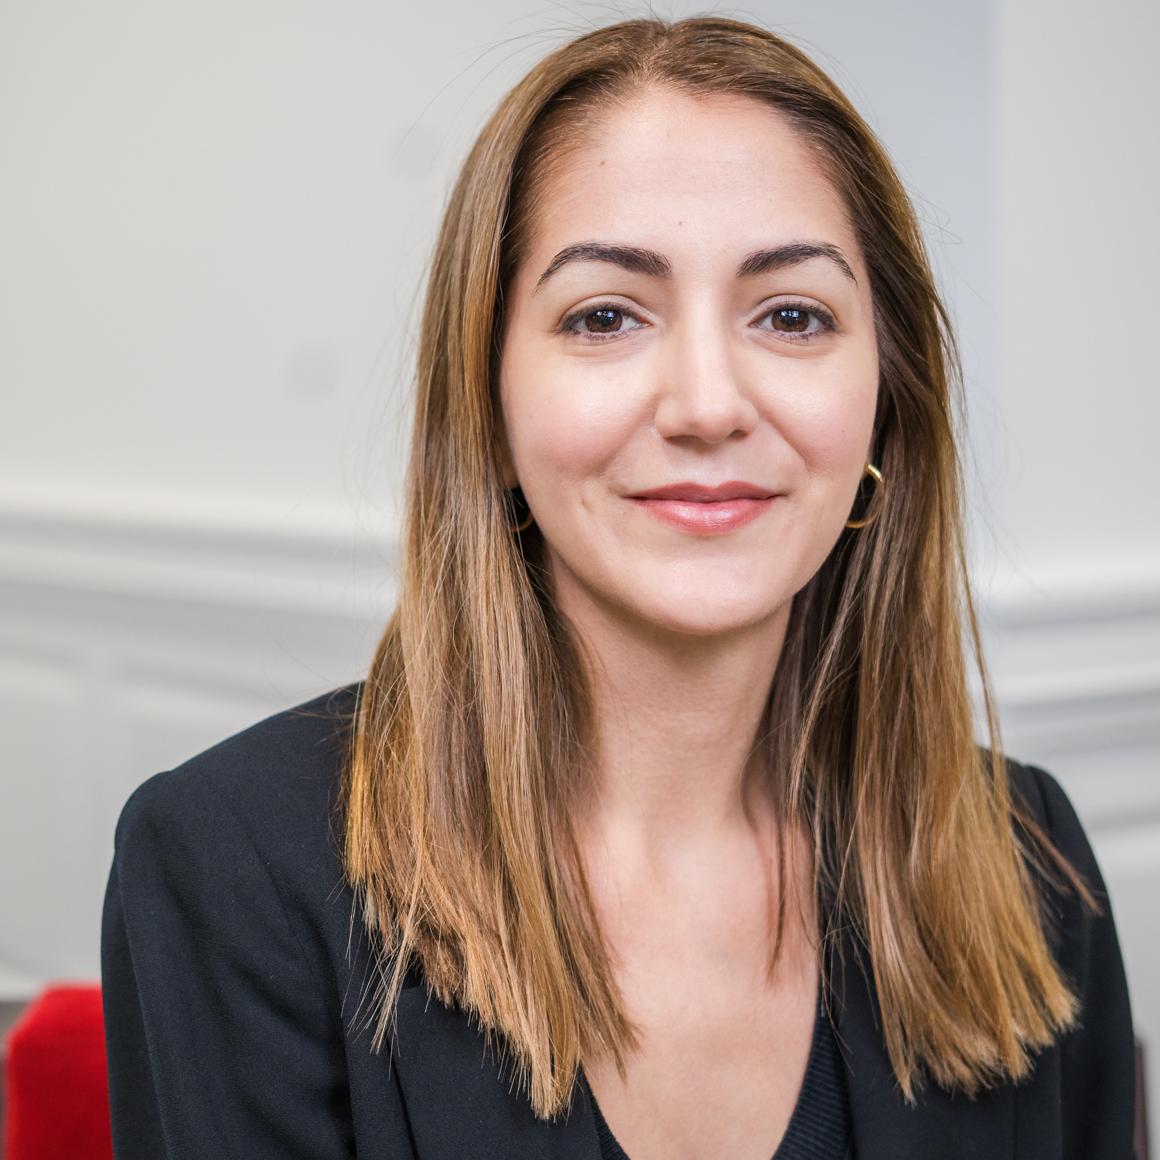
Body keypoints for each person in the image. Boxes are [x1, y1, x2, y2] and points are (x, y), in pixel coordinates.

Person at [100, 15, 1137, 1160]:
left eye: (791, 315)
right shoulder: (234, 862)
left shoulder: (1024, 856)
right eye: (604, 316)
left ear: (883, 402)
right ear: (485, 408)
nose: (705, 401)